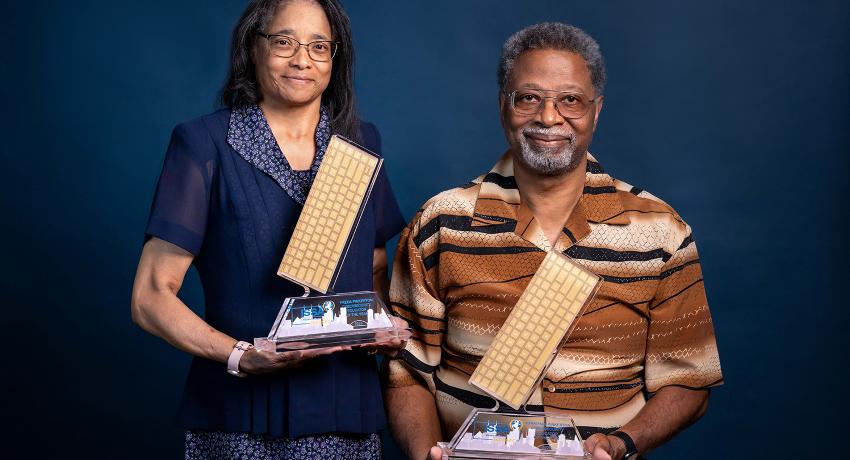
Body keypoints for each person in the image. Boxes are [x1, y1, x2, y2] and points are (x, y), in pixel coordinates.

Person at [383, 22, 723, 460]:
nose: (548, 117)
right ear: (503, 107)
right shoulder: (441, 223)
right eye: (528, 98)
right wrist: (425, 454)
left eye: (570, 100)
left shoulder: (660, 230)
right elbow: (407, 372)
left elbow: (689, 380)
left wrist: (620, 444)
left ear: (596, 111)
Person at [130, 0, 406, 458]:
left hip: (348, 417)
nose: (303, 60)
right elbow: (150, 296)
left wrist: (388, 326)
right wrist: (239, 355)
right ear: (252, 49)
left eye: (319, 46)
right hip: (239, 421)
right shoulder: (204, 143)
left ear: (335, 59)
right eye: (284, 42)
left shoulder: (360, 142)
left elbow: (375, 266)